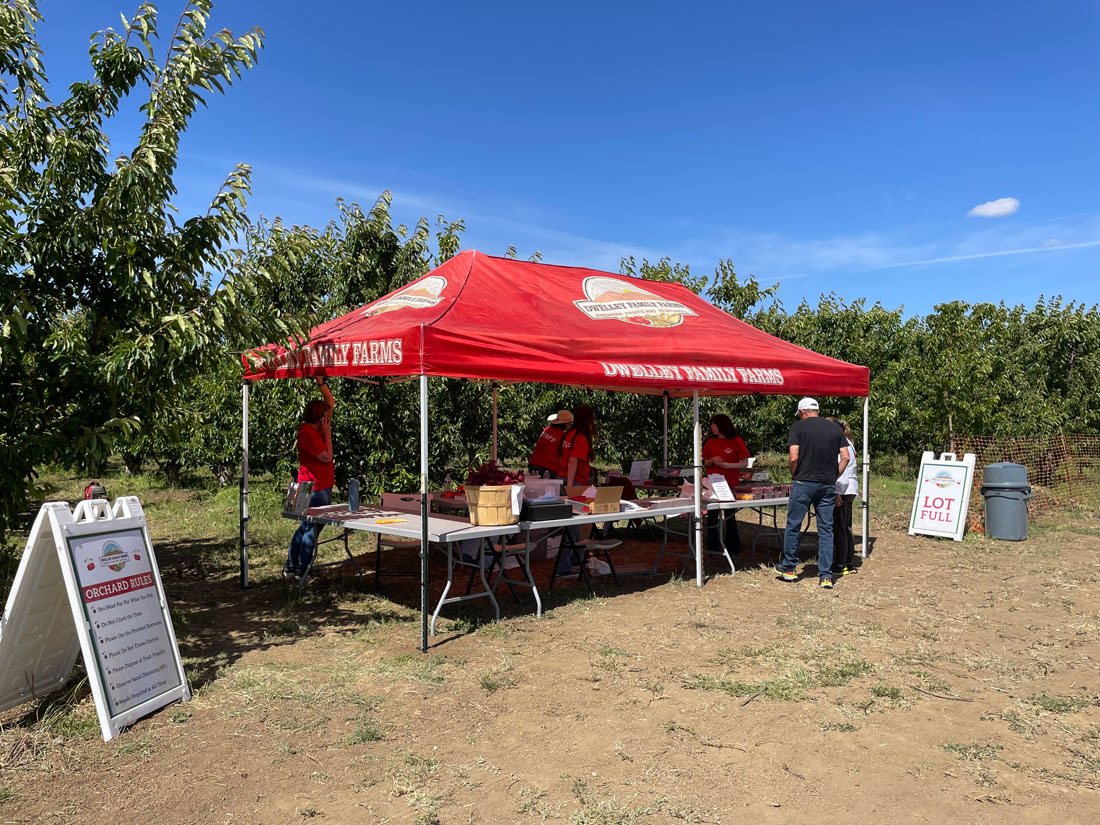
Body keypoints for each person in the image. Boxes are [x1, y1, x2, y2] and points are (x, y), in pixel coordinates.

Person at [778, 398, 849, 589]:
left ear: (802, 411)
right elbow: (846, 457)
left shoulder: (798, 428)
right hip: (827, 485)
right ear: (817, 410)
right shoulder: (835, 428)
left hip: (803, 482)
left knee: (793, 525)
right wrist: (834, 475)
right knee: (826, 530)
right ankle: (826, 576)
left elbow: (794, 457)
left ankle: (790, 569)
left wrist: (795, 474)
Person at [284, 376, 335, 579]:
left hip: (301, 484)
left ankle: (290, 566)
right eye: (326, 415)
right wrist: (328, 434)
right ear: (321, 418)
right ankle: (301, 569)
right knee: (313, 527)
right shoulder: (310, 434)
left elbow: (330, 402)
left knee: (303, 525)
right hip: (316, 487)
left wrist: (321, 382)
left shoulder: (306, 429)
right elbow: (327, 457)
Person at [703, 414, 751, 555]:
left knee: (730, 516)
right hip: (712, 485)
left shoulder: (737, 441)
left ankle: (733, 548)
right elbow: (705, 462)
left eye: (714, 424)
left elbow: (744, 462)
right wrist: (712, 460)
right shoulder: (710, 442)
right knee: (712, 516)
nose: (712, 427)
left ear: (721, 426)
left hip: (729, 485)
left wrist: (727, 465)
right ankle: (712, 548)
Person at [828, 417, 859, 576]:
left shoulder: (841, 444)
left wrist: (837, 492)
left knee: (839, 528)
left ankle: (840, 564)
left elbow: (842, 470)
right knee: (846, 527)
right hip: (850, 489)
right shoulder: (848, 442)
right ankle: (848, 561)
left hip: (843, 489)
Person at [528, 410, 571, 478]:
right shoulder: (563, 436)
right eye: (569, 423)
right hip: (549, 467)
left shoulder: (547, 429)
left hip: (534, 463)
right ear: (566, 424)